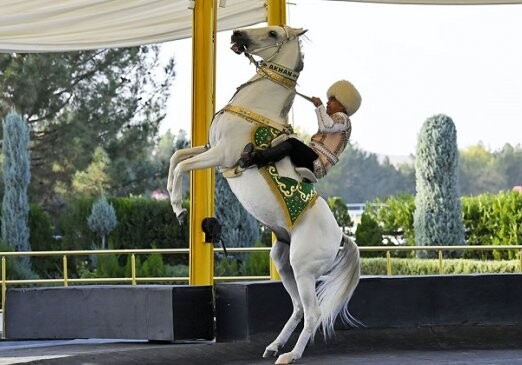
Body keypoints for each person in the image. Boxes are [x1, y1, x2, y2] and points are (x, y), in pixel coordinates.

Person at [238, 79, 361, 181]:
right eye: (329, 100)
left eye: (333, 100)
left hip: (317, 163)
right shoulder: (336, 119)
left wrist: (319, 107)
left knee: (292, 143)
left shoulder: (343, 118)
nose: (328, 102)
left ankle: (254, 159)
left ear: (343, 105)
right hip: (314, 159)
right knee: (289, 137)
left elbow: (326, 126)